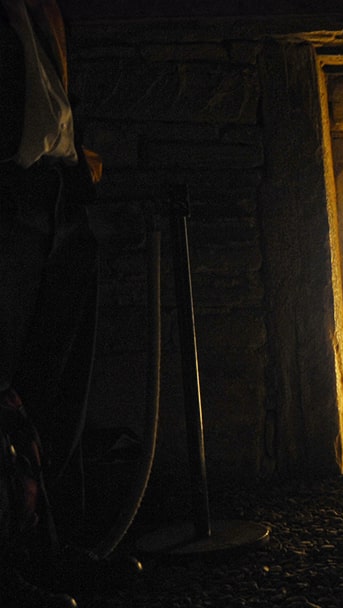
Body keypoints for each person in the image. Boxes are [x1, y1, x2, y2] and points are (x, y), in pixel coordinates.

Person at [2, 1, 136, 606]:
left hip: (54, 196)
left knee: (53, 394)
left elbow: (47, 98)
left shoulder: (45, 10)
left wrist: (74, 162)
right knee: (7, 393)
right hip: (12, 197)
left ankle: (44, 552)